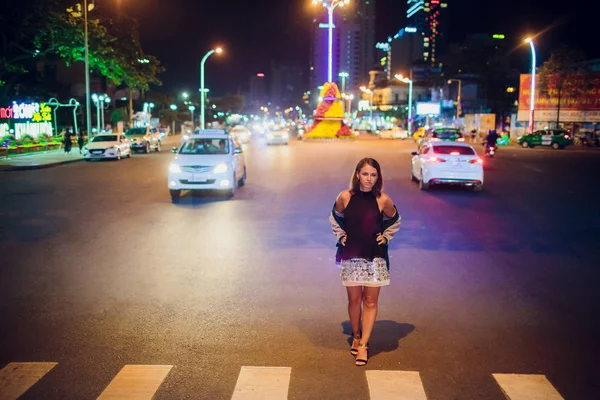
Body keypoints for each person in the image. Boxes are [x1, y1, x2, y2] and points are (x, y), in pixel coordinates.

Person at [329, 158, 401, 366]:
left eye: (373, 175)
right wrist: (340, 234)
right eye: (365, 174)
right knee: (354, 300)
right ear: (357, 175)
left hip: (374, 257)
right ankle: (357, 335)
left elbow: (396, 219)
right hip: (351, 256)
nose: (369, 179)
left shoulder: (382, 199)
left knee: (370, 302)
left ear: (378, 177)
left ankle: (363, 346)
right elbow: (334, 216)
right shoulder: (345, 197)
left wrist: (386, 236)